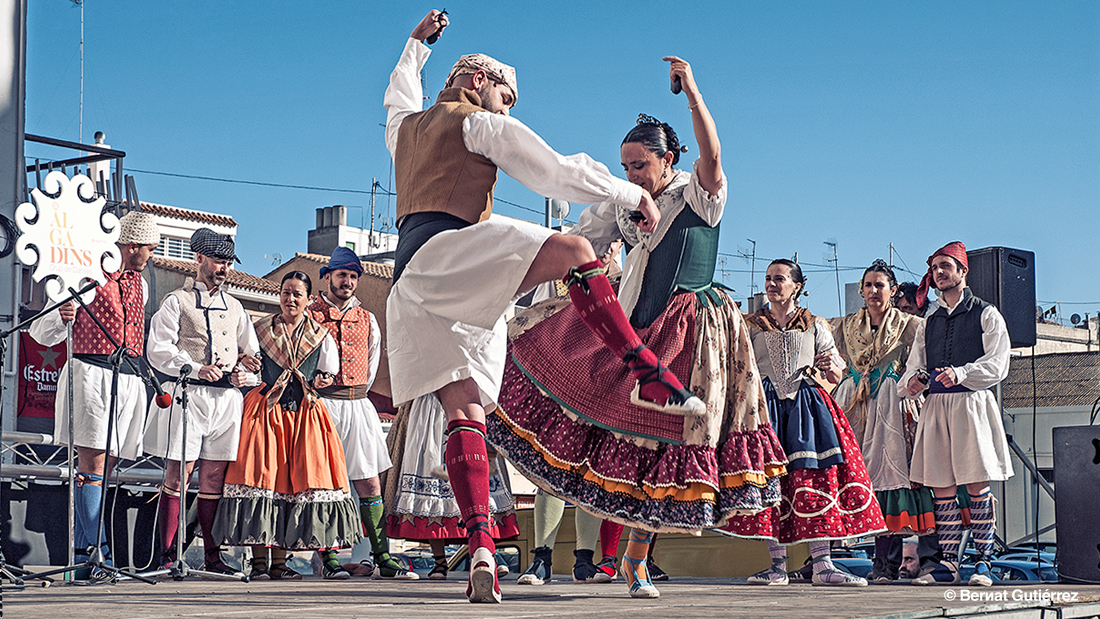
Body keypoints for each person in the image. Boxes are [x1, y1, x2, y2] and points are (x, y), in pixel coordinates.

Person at [384, 10, 704, 603]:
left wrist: (416, 47)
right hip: (448, 252)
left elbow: (397, 95)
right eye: (506, 96)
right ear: (478, 82)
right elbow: (553, 171)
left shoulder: (405, 128)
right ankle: (646, 372)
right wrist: (629, 192)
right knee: (576, 248)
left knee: (466, 414)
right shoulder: (477, 122)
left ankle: (482, 546)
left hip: (411, 286)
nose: (507, 108)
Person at [488, 58, 787, 600]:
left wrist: (693, 92)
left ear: (667, 159)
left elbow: (714, 156)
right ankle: (629, 559)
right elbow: (578, 245)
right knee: (630, 434)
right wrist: (507, 285)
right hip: (635, 325)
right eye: (624, 166)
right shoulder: (620, 204)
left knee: (668, 439)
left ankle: (637, 560)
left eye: (638, 165)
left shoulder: (700, 194)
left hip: (693, 328)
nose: (629, 175)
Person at [724, 259, 885, 587]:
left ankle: (823, 565)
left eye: (779, 279)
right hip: (766, 409)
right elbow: (738, 366)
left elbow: (836, 374)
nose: (771, 284)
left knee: (814, 478)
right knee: (771, 484)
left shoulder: (815, 324)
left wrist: (829, 367)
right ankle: (777, 566)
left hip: (806, 407)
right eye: (769, 279)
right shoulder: (750, 324)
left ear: (796, 286)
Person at [29, 210, 161, 577]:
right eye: (148, 249)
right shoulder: (85, 274)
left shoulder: (140, 283)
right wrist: (63, 315)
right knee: (93, 466)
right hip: (89, 372)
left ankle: (88, 554)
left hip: (128, 377)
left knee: (109, 467)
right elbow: (41, 332)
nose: (151, 256)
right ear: (131, 246)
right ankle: (95, 553)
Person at [212, 271, 361, 580]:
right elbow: (250, 366)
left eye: (297, 294)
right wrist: (246, 366)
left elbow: (328, 374)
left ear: (308, 299)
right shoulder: (261, 329)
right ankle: (259, 565)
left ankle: (280, 564)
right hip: (265, 412)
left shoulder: (321, 335)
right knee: (262, 481)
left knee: (294, 485)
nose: (290, 299)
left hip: (305, 414)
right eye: (285, 292)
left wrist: (323, 380)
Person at [144, 228, 258, 577]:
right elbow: (158, 350)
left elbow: (252, 355)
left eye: (227, 262)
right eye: (218, 261)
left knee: (213, 478)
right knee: (179, 474)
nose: (223, 268)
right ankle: (165, 555)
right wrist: (195, 367)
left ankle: (212, 555)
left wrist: (246, 374)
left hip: (226, 400)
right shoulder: (176, 301)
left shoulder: (236, 307)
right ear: (199, 259)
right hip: (189, 394)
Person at [900, 241, 1014, 587]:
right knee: (941, 487)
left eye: (946, 266)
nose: (939, 273)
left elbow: (999, 363)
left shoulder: (986, 312)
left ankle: (984, 562)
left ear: (963, 271)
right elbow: (913, 366)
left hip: (970, 403)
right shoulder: (929, 319)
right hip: (936, 406)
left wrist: (962, 373)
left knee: (976, 482)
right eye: (935, 268)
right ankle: (948, 563)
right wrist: (914, 383)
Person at [305, 247, 416, 580]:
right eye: (342, 275)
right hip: (323, 404)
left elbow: (372, 361)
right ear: (327, 276)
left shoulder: (367, 318)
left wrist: (359, 393)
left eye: (353, 277)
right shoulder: (311, 313)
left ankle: (382, 555)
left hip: (357, 403)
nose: (348, 282)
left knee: (369, 482)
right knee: (324, 484)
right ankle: (328, 557)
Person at [829, 260, 932, 584]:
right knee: (860, 478)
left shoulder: (911, 327)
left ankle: (888, 563)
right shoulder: (842, 327)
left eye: (880, 285)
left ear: (892, 291)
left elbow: (923, 364)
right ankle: (871, 562)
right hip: (855, 406)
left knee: (893, 480)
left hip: (892, 404)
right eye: (868, 285)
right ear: (861, 290)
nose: (873, 291)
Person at [383, 393, 519, 581]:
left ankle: (487, 555)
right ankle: (441, 560)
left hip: (465, 404)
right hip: (428, 406)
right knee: (433, 489)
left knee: (480, 489)